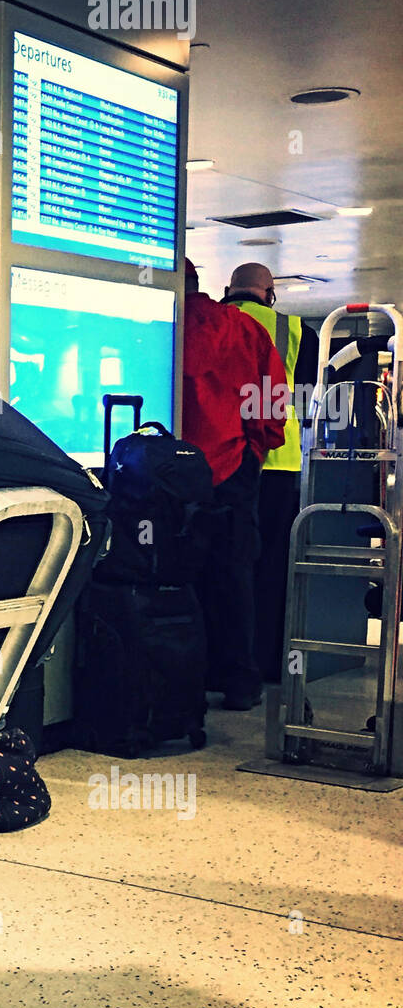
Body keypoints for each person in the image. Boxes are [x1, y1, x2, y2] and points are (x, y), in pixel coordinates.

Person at [181, 259, 288, 709]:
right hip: (234, 467)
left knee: (177, 575)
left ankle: (183, 678)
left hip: (169, 472)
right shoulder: (246, 330)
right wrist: (255, 450)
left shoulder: (157, 323)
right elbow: (274, 397)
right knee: (235, 574)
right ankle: (240, 681)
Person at [222, 263, 320, 684]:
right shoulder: (296, 329)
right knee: (273, 566)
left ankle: (223, 663)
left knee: (226, 564)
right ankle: (266, 661)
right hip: (280, 461)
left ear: (229, 289)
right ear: (270, 292)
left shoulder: (214, 322)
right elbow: (307, 391)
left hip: (224, 459)